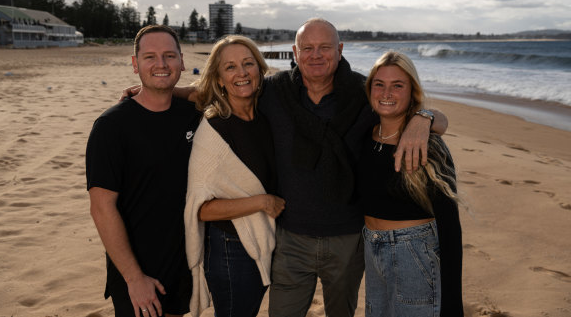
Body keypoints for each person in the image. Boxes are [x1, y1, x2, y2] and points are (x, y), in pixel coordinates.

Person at [121, 18, 448, 317]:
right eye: (307, 48)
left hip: (347, 238)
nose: (315, 55)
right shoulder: (275, 91)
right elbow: (223, 88)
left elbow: (402, 104)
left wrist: (425, 117)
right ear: (295, 52)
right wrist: (162, 91)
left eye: (324, 48)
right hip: (290, 239)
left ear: (341, 50)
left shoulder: (364, 92)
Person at [86, 25, 199, 317]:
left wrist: (182, 91)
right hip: (137, 273)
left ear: (182, 61)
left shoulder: (193, 115)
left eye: (169, 56)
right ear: (135, 64)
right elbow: (101, 208)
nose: (161, 64)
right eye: (150, 57)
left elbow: (229, 90)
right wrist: (134, 278)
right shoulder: (112, 127)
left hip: (182, 265)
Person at [184, 35, 285, 317]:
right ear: (218, 79)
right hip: (232, 249)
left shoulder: (264, 117)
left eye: (247, 63)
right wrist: (262, 202)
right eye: (230, 67)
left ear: (260, 69)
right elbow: (201, 209)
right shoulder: (215, 130)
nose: (241, 73)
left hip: (261, 240)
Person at [356, 51, 463, 317]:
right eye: (379, 84)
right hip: (372, 248)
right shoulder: (364, 133)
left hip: (414, 253)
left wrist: (452, 303)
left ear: (412, 91)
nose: (386, 92)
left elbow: (450, 226)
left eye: (397, 85)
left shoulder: (427, 144)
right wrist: (426, 116)